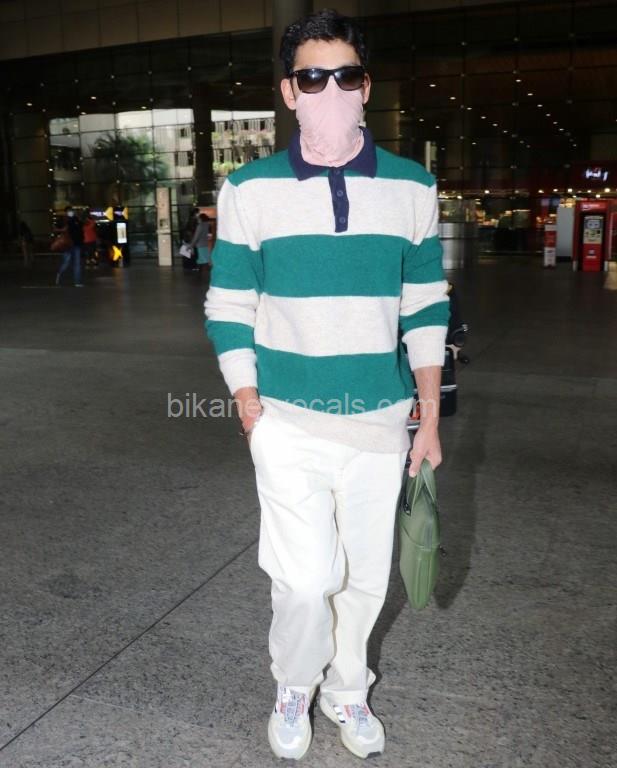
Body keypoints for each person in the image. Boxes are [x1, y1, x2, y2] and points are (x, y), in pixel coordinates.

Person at [204, 9, 449, 761]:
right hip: (285, 419)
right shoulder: (249, 189)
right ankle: (294, 683)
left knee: (365, 578)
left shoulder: (412, 187)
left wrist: (429, 417)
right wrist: (246, 398)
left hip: (381, 420)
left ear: (366, 87)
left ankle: (347, 689)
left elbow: (425, 307)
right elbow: (229, 302)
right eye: (312, 77)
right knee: (307, 578)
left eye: (345, 76)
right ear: (289, 92)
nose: (330, 90)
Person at [55, 205, 84, 287]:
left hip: (76, 244)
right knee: (66, 262)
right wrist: (63, 229)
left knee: (77, 264)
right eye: (68, 211)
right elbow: (58, 229)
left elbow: (81, 228)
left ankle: (77, 282)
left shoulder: (76, 219)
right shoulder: (64, 220)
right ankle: (59, 273)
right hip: (67, 244)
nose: (70, 212)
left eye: (71, 211)